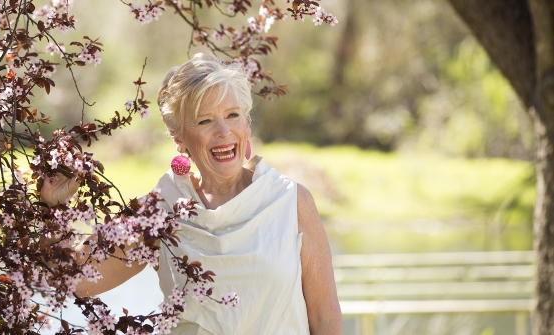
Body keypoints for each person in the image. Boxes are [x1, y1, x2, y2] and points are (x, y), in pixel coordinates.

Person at [41, 53, 342, 334]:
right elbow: (75, 279)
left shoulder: (291, 201)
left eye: (233, 115)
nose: (224, 132)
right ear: (179, 136)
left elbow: (324, 319)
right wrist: (52, 208)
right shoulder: (159, 209)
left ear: (247, 125)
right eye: (205, 120)